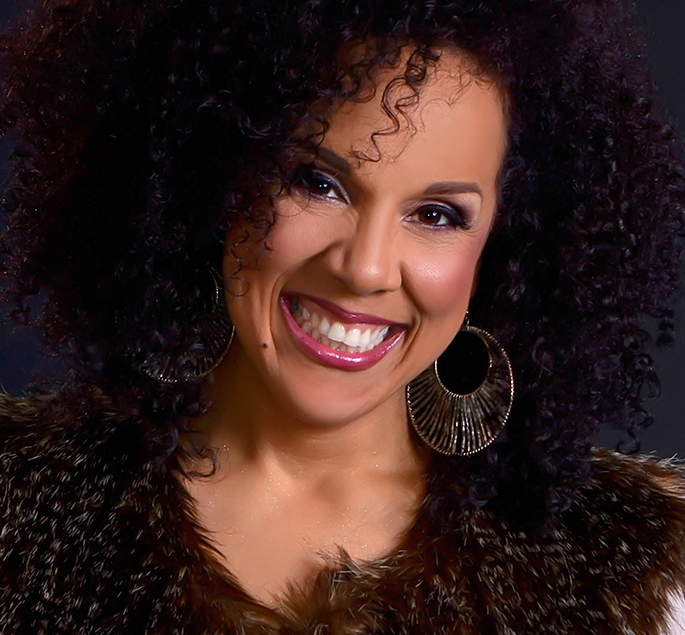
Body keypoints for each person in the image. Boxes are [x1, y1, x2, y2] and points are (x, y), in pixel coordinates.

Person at [1, 0, 684, 633]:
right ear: (214, 176)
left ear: (504, 254)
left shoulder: (646, 576)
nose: (364, 268)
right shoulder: (16, 505)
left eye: (436, 215)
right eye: (317, 182)